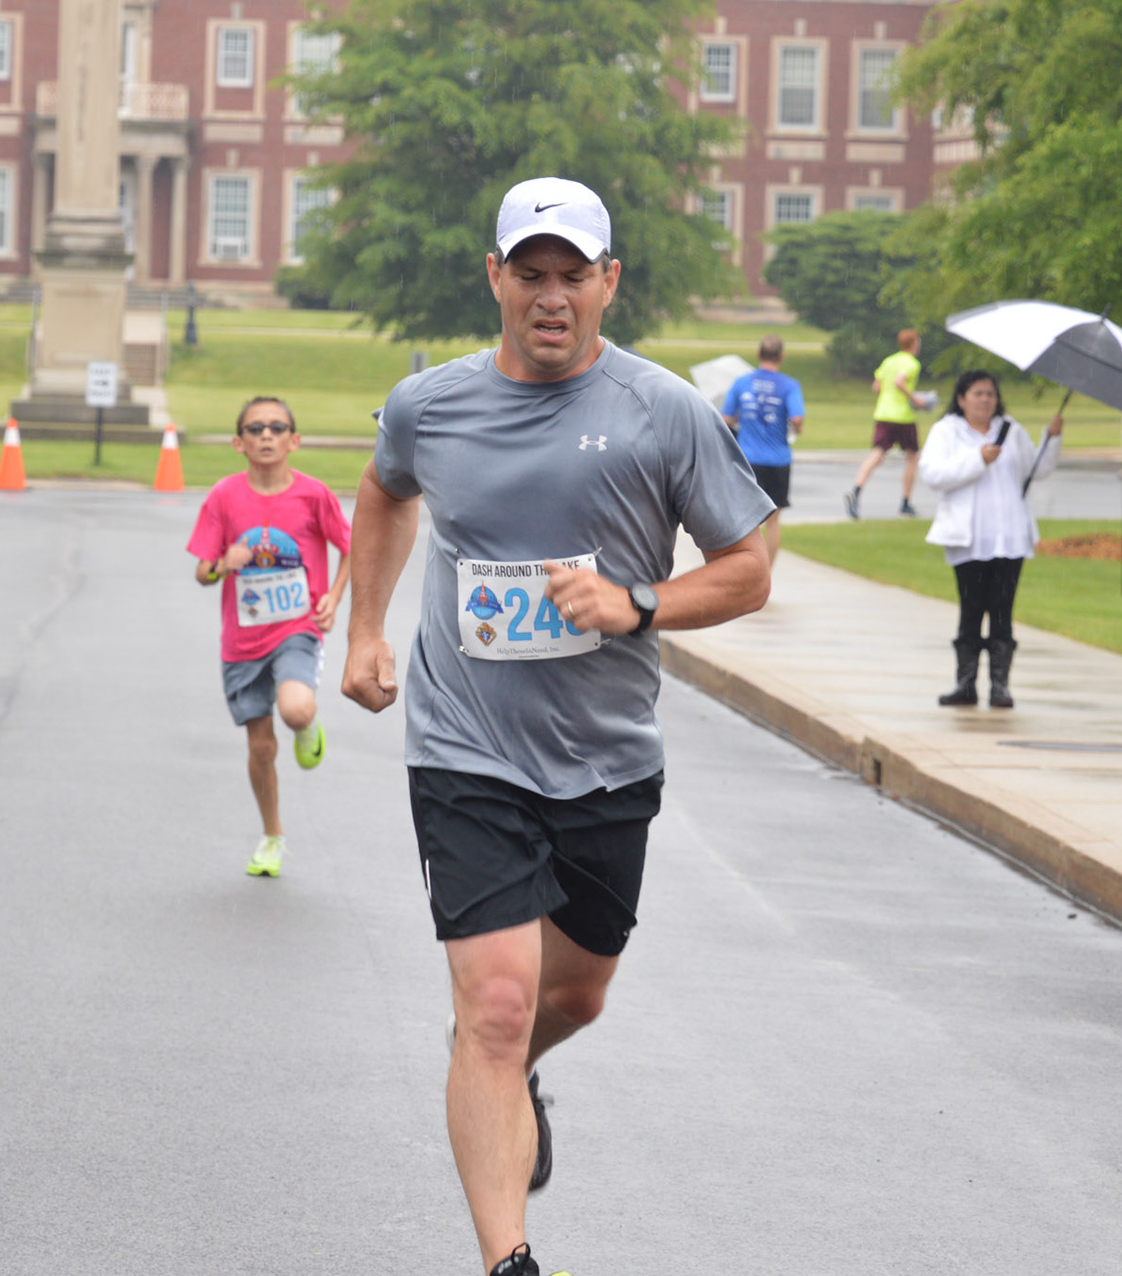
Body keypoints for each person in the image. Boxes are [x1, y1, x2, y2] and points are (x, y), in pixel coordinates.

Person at [342, 176, 773, 1276]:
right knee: (497, 1001)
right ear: (494, 277)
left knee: (570, 994)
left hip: (605, 755)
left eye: (571, 275)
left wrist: (639, 603)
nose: (550, 296)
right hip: (463, 747)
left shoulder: (663, 411)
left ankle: (506, 1061)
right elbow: (386, 491)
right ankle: (509, 1259)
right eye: (528, 273)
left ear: (607, 282)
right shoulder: (430, 405)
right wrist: (366, 631)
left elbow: (749, 568)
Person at [186, 396, 352, 876]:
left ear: (293, 441)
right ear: (238, 443)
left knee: (295, 707)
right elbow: (202, 572)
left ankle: (306, 725)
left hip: (297, 626)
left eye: (277, 428)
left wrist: (334, 597)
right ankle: (272, 836)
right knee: (260, 746)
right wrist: (224, 564)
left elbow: (351, 546)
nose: (266, 435)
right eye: (255, 428)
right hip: (242, 640)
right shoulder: (223, 496)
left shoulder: (313, 495)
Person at [917, 370, 1063, 708]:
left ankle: (1000, 686)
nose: (985, 400)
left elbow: (1036, 469)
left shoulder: (1010, 429)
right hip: (969, 539)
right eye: (978, 393)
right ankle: (965, 683)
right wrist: (977, 459)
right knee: (971, 609)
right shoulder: (947, 431)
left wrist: (1052, 438)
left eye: (991, 394)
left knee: (1002, 611)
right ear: (961, 398)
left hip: (1009, 538)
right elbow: (934, 474)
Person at [721, 334, 806, 567]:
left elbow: (725, 418)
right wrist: (796, 429)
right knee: (773, 522)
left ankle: (748, 571)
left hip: (748, 460)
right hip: (778, 460)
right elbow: (797, 419)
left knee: (748, 522)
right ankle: (767, 573)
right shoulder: (789, 385)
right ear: (782, 356)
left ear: (759, 354)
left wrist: (742, 419)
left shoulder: (742, 383)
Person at [845, 328, 932, 519]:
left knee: (877, 454)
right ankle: (906, 502)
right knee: (912, 457)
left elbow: (876, 386)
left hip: (883, 414)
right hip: (902, 416)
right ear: (914, 343)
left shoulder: (889, 361)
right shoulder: (911, 363)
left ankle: (856, 490)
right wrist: (915, 399)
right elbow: (899, 382)